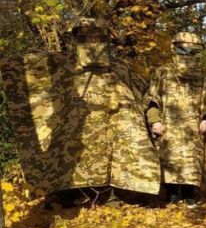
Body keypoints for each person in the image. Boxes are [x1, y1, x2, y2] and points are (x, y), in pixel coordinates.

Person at [0, 17, 160, 206]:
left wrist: (155, 120)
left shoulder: (120, 67)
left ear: (106, 38)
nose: (92, 40)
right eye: (86, 36)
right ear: (76, 38)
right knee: (72, 161)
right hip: (75, 131)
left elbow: (145, 95)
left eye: (98, 36)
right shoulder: (61, 64)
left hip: (115, 130)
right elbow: (24, 72)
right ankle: (68, 197)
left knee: (114, 159)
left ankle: (110, 195)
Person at [145, 32, 206, 206]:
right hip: (169, 125)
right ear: (175, 49)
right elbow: (152, 99)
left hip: (193, 127)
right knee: (170, 158)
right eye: (183, 49)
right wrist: (155, 121)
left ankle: (189, 194)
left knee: (192, 161)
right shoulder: (163, 72)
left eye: (192, 50)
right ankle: (172, 195)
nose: (188, 54)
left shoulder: (201, 75)